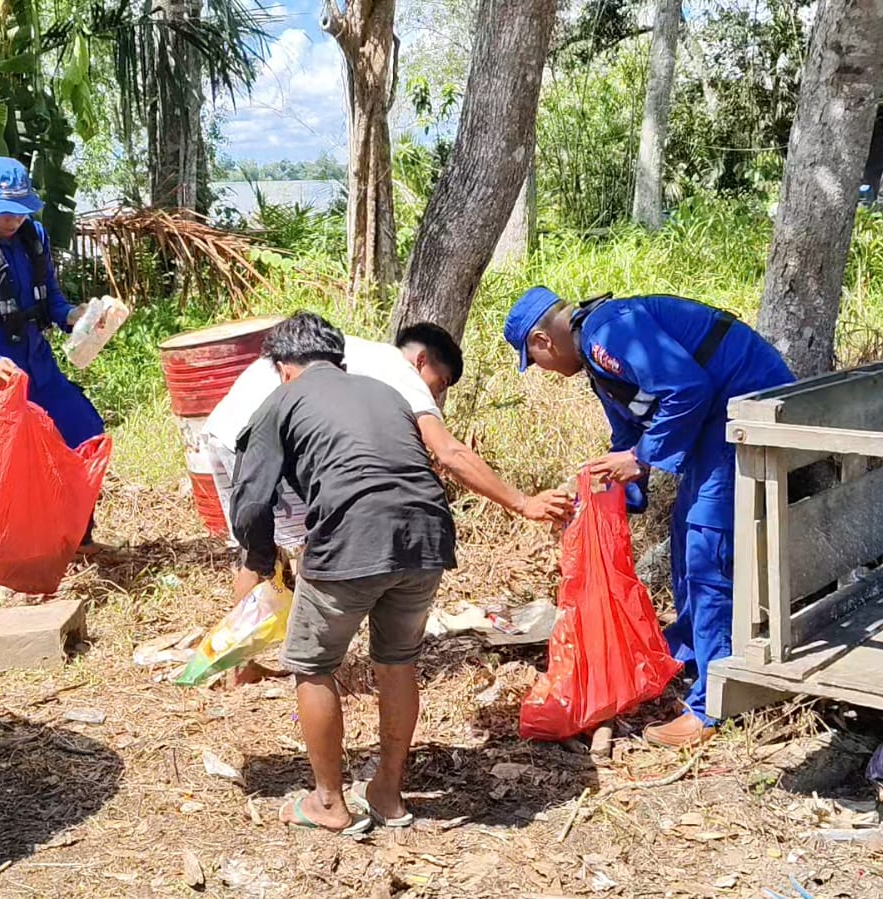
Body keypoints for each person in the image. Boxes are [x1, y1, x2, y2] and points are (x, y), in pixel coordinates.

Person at [504, 287, 794, 748]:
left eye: (535, 361)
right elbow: (630, 431)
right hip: (720, 417)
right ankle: (693, 651)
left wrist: (641, 458)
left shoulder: (608, 333)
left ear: (542, 341)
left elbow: (688, 389)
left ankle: (712, 706)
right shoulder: (598, 358)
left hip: (748, 408)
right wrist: (607, 494)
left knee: (706, 547)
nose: (547, 371)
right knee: (684, 537)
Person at [229, 312, 456, 834]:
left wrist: (262, 563)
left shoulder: (281, 399)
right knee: (397, 662)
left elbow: (252, 501)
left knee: (312, 664)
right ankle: (390, 795)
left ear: (283, 368)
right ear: (337, 358)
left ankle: (328, 803)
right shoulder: (386, 391)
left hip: (354, 537)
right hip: (427, 536)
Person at [205, 321, 572, 602]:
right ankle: (314, 653)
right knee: (314, 547)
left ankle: (244, 664)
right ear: (422, 361)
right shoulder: (400, 371)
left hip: (223, 430)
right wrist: (523, 503)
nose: (435, 396)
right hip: (260, 439)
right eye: (440, 384)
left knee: (255, 549)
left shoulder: (359, 355)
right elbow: (449, 452)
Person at [0, 157, 106, 568]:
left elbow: (52, 301)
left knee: (86, 434)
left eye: (21, 210)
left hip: (38, 368)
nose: (14, 219)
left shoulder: (34, 238)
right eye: (5, 210)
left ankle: (76, 535)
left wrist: (73, 318)